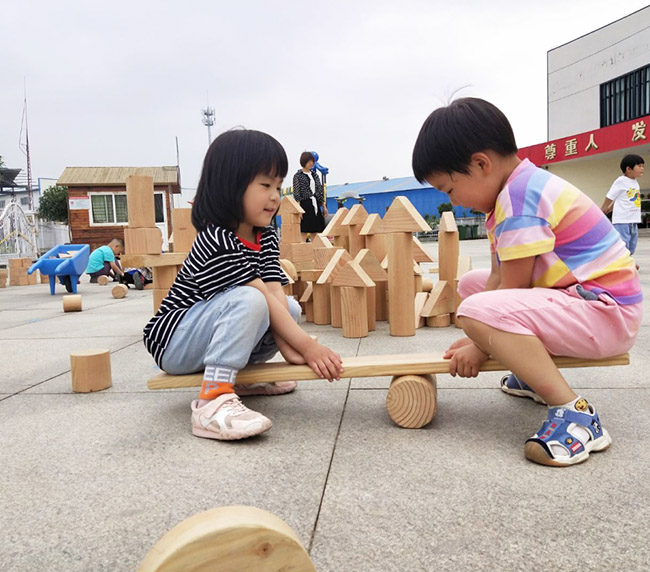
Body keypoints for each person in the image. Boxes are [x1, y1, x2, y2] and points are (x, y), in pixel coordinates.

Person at [412, 98, 642, 467]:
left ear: (480, 164)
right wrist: (480, 336)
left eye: (449, 190)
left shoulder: (519, 202)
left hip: (605, 313)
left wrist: (480, 346)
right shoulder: (511, 194)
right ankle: (531, 373)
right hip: (587, 303)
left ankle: (576, 413)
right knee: (473, 286)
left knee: (477, 309)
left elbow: (513, 289)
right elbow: (499, 277)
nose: (454, 202)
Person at [143, 129, 343, 441]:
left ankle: (238, 379)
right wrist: (308, 345)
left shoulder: (264, 235)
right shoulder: (216, 238)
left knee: (288, 307)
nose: (276, 195)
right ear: (230, 186)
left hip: (210, 332)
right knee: (250, 299)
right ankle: (212, 400)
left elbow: (274, 290)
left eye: (278, 186)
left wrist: (293, 349)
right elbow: (258, 295)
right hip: (174, 342)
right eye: (265, 185)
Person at [600, 154, 644, 255]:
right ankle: (623, 264)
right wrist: (603, 209)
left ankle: (627, 261)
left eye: (643, 166)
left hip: (633, 219)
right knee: (623, 243)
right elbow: (610, 196)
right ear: (629, 169)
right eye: (639, 166)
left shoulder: (635, 182)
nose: (642, 169)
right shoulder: (620, 181)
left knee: (632, 244)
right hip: (622, 220)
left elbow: (621, 197)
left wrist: (611, 208)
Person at [292, 151, 327, 240]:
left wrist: (323, 206)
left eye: (312, 161)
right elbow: (297, 193)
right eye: (309, 161)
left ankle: (314, 251)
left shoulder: (315, 175)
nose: (311, 163)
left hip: (315, 203)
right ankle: (303, 251)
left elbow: (320, 191)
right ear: (304, 162)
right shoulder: (298, 176)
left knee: (315, 231)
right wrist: (299, 209)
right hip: (304, 204)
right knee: (304, 231)